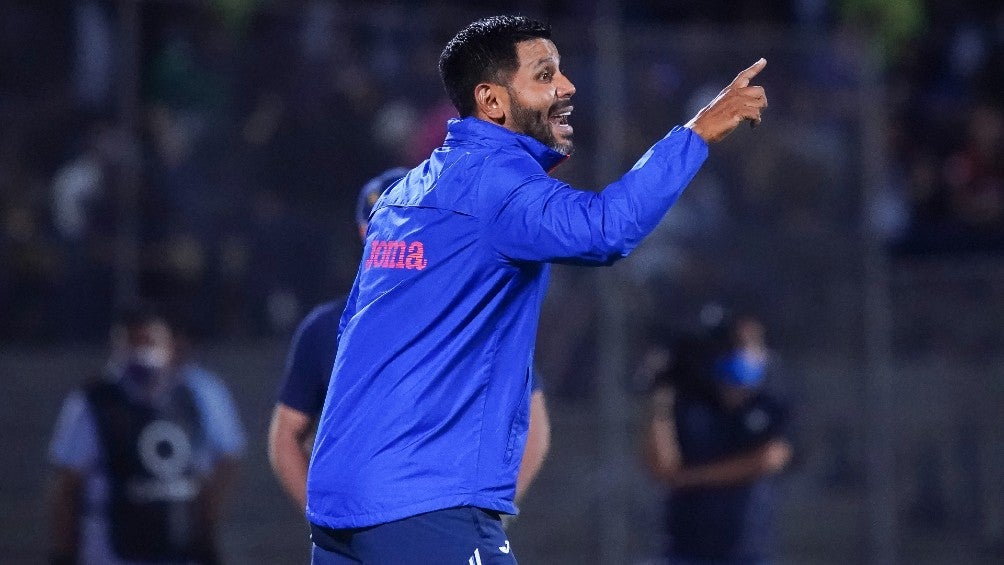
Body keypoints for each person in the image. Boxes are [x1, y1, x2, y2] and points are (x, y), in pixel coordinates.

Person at [306, 15, 768, 564]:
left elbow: (356, 327)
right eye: (545, 74)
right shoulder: (496, 184)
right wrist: (696, 134)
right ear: (492, 100)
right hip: (423, 496)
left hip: (340, 499)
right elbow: (605, 230)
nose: (567, 86)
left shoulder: (406, 191)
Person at [268, 167, 552, 511]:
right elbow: (286, 434)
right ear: (365, 233)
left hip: (447, 514)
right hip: (366, 517)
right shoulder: (326, 329)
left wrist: (494, 511)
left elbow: (531, 422)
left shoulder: (476, 315)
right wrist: (321, 515)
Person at [47, 300, 246, 565]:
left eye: (149, 342)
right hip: (111, 547)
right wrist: (63, 553)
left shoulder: (193, 396)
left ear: (169, 345)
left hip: (177, 545)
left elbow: (220, 465)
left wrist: (206, 533)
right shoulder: (94, 402)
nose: (141, 353)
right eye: (132, 343)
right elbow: (68, 482)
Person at [642, 307, 794, 565]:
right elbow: (662, 466)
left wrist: (692, 477)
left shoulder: (771, 401)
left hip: (746, 549)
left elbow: (770, 458)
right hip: (685, 549)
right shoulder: (691, 402)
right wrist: (660, 396)